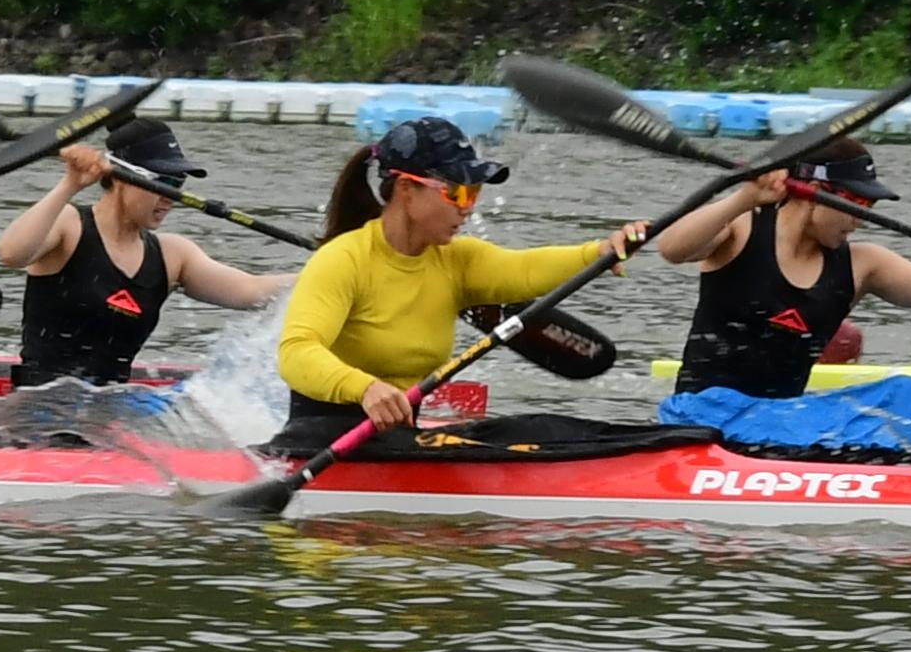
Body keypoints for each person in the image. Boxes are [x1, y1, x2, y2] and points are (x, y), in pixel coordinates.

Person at [649, 140, 911, 454]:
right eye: (855, 202)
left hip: (786, 419)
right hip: (706, 415)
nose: (860, 219)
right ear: (812, 190)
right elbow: (672, 248)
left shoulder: (863, 265)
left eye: (869, 205)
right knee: (862, 421)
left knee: (909, 392)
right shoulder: (740, 229)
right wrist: (744, 196)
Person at [271, 116, 649, 453]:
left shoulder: (456, 261)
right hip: (321, 439)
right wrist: (365, 388)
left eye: (475, 193)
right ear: (406, 190)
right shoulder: (343, 259)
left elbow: (526, 270)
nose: (468, 208)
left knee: (547, 428)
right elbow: (296, 352)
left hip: (400, 439)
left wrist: (601, 252)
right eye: (459, 192)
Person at [0, 116, 288, 387]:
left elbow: (252, 291)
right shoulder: (69, 225)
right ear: (122, 177)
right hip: (39, 406)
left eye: (178, 184)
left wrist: (330, 265)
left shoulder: (174, 255)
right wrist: (70, 184)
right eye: (162, 182)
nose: (170, 198)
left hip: (107, 410)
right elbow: (11, 253)